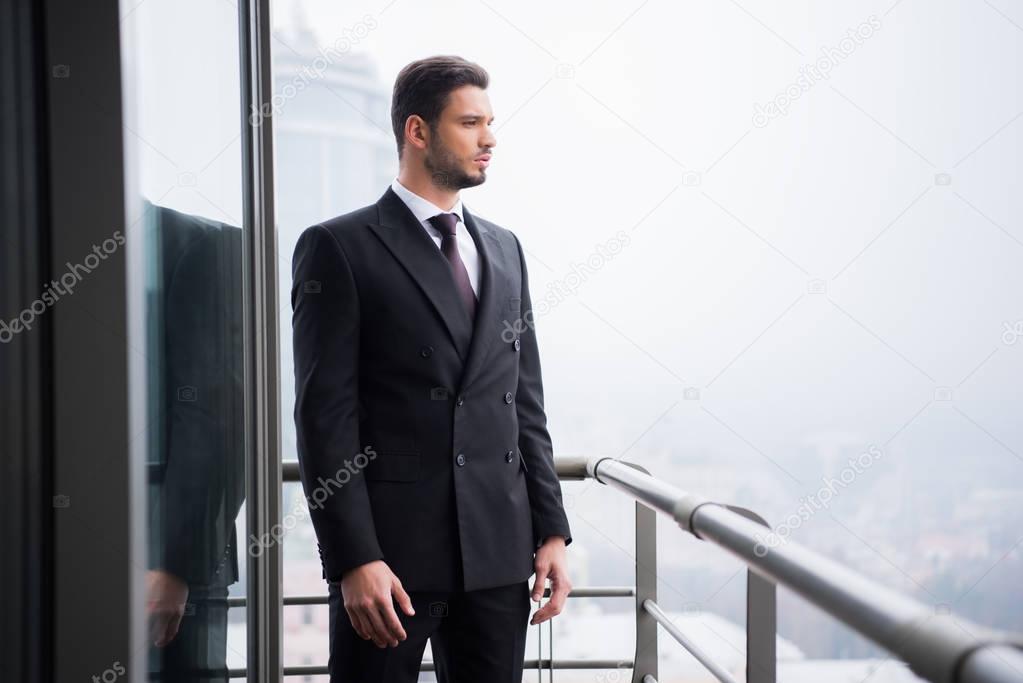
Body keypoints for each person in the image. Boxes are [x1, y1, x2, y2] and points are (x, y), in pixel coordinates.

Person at [291, 55, 573, 682]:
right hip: (389, 566)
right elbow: (323, 418)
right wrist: (353, 559)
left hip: (499, 558)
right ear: (417, 132)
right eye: (470, 123)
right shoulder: (339, 246)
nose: (490, 139)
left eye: (490, 123)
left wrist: (551, 531)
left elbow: (525, 403)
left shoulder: (505, 248)